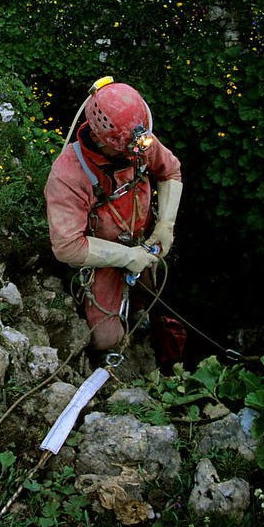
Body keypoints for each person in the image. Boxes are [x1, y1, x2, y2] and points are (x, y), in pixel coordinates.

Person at [44, 77, 183, 352]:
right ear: (100, 137)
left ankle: (142, 316)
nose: (139, 152)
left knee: (150, 290)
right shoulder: (68, 175)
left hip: (142, 240)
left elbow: (169, 171)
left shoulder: (136, 140)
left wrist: (166, 224)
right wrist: (128, 257)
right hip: (103, 257)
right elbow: (67, 247)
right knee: (106, 339)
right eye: (129, 148)